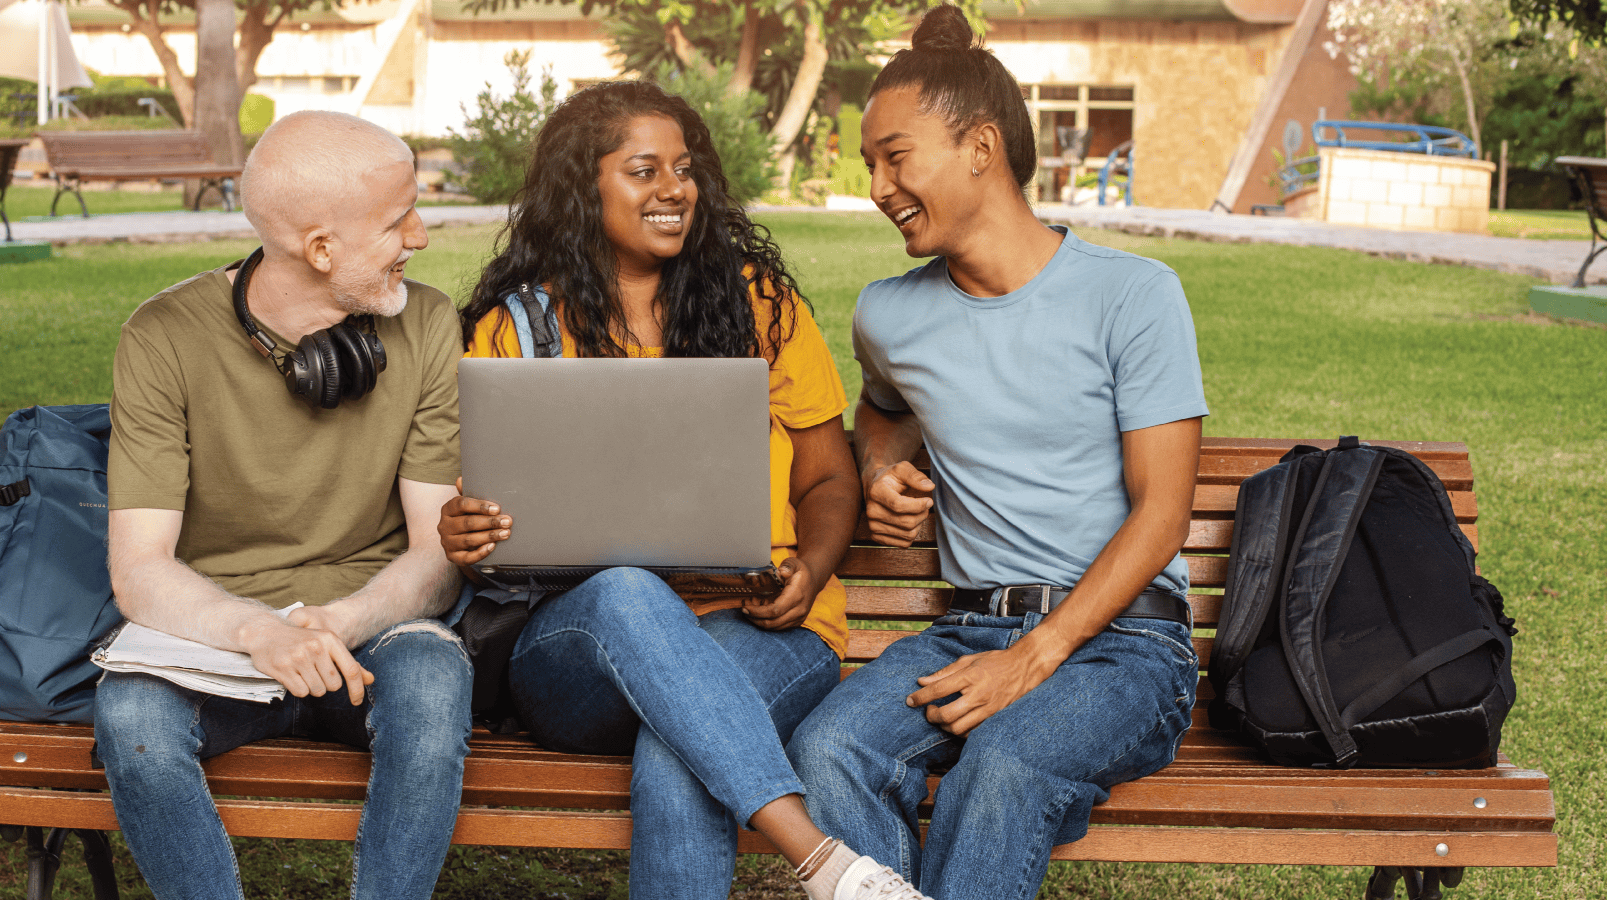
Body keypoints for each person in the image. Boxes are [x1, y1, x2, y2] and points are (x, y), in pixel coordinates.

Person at [436, 81, 931, 900]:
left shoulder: (758, 305)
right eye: (643, 170)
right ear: (582, 187)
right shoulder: (518, 328)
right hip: (581, 650)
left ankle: (829, 869)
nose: (675, 189)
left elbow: (827, 476)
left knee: (681, 750)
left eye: (686, 168)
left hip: (765, 627)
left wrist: (809, 566)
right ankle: (823, 862)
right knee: (630, 591)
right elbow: (491, 520)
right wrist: (469, 531)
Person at [786, 7, 1209, 900]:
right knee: (829, 748)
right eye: (869, 163)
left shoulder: (1133, 296)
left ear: (980, 147)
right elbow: (883, 408)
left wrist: (1039, 653)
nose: (876, 185)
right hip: (966, 629)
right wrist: (878, 466)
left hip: (1128, 649)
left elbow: (1163, 512)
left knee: (1006, 763)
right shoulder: (888, 314)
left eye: (895, 157)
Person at [94, 111, 472, 900]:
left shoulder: (430, 323)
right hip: (218, 631)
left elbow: (437, 558)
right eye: (399, 217)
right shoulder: (162, 336)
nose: (422, 234)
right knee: (132, 720)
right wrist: (258, 632)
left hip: (369, 624)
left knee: (435, 680)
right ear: (321, 247)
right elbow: (140, 570)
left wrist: (339, 623)